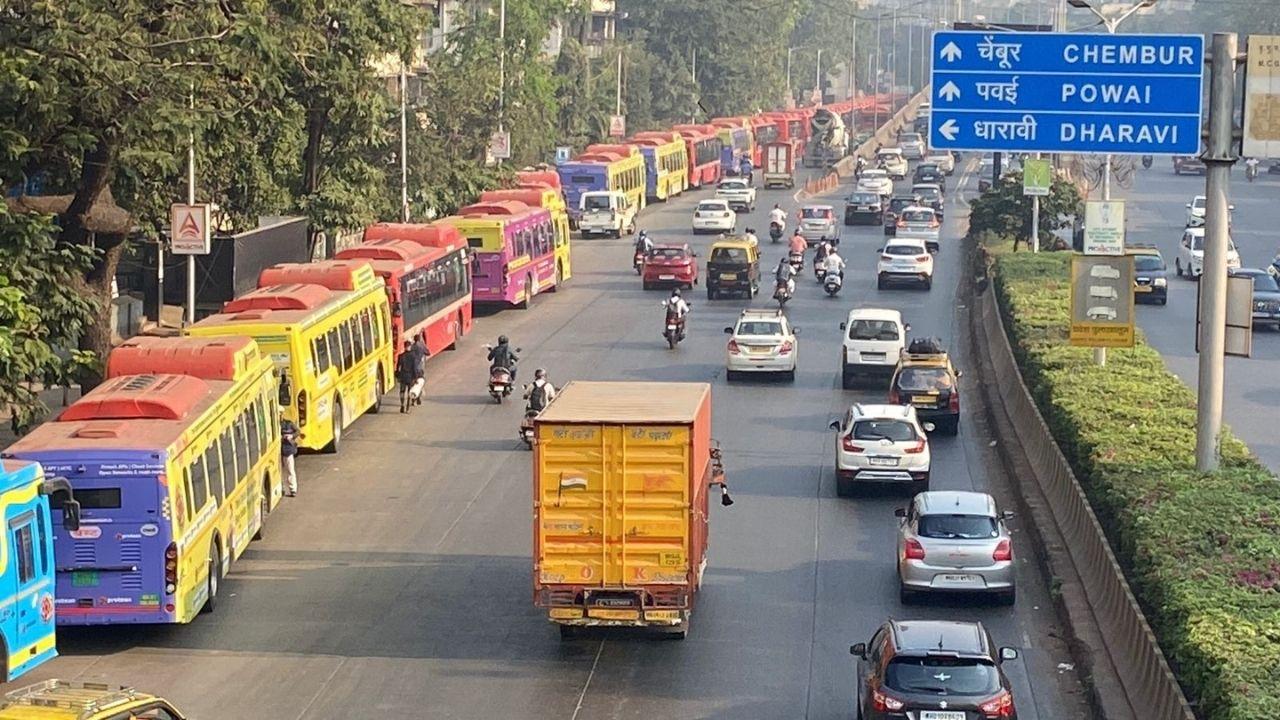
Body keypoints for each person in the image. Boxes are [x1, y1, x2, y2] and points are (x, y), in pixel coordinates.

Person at [396, 341, 419, 413]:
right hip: (410, 377)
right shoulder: (413, 356)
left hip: (403, 376)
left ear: (404, 347)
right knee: (409, 392)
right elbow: (414, 368)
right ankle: (408, 408)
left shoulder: (401, 356)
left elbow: (398, 367)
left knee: (402, 391)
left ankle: (402, 405)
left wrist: (398, 376)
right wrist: (416, 378)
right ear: (410, 347)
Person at [280, 415, 299, 497]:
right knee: (279, 471)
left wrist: (291, 436)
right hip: (278, 452)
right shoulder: (273, 423)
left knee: (290, 470)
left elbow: (297, 431)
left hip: (287, 450)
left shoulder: (289, 423)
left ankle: (293, 489)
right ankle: (281, 488)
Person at [410, 335, 428, 406]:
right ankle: (418, 398)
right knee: (420, 383)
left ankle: (413, 399)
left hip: (412, 368)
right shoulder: (421, 346)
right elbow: (428, 352)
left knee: (413, 384)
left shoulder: (412, 347)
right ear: (419, 339)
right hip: (420, 368)